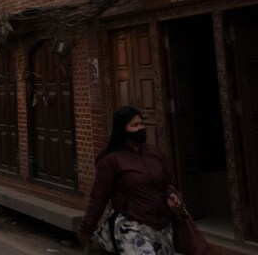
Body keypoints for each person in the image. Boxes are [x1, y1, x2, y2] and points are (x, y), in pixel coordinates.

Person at [78, 106, 182, 254]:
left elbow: (168, 180)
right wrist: (87, 228)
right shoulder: (111, 160)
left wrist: (170, 193)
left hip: (161, 224)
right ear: (122, 129)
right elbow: (99, 197)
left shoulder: (154, 153)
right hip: (131, 224)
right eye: (134, 125)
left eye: (141, 124)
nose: (140, 128)